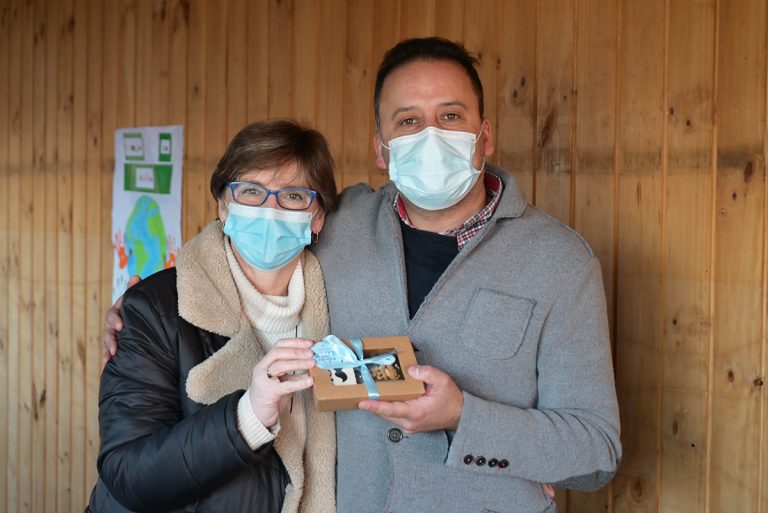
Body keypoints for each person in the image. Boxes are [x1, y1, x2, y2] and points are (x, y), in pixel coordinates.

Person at [105, 38, 621, 513]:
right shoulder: (342, 223)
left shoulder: (561, 262)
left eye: (450, 115)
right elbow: (244, 238)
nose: (431, 135)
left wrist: (464, 416)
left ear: (484, 136)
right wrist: (144, 305)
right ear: (381, 150)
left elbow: (597, 453)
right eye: (408, 121)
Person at [88, 119, 338, 513]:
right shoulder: (154, 308)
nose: (270, 210)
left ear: (318, 217)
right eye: (251, 191)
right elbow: (127, 474)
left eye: (293, 195)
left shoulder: (341, 306)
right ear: (223, 206)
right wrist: (247, 417)